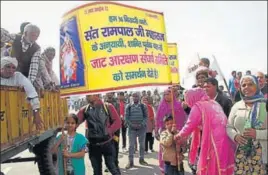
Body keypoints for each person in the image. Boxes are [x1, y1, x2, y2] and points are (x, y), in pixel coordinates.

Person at [175, 88, 235, 175]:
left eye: (187, 98)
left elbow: (190, 124)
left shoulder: (198, 106)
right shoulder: (214, 102)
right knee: (222, 164)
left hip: (213, 141)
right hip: (225, 139)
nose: (187, 101)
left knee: (212, 166)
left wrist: (179, 135)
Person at [227, 75, 267, 174]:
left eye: (250, 84)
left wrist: (257, 134)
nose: (246, 87)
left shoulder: (265, 105)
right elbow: (229, 127)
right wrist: (235, 136)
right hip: (240, 153)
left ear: (257, 86)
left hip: (261, 155)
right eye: (243, 85)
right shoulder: (237, 105)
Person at [77, 94, 121, 175]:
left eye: (89, 95)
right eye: (86, 95)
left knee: (112, 168)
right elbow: (75, 122)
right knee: (97, 171)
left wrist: (108, 131)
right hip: (93, 145)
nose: (87, 96)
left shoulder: (108, 106)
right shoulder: (85, 110)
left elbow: (118, 122)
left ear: (96, 95)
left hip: (107, 144)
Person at [0, 56, 43, 130]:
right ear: (2, 67)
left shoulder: (18, 76)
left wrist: (36, 113)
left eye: (13, 68)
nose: (11, 70)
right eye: (8, 67)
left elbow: (32, 93)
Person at [155, 88, 187, 174]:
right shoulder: (161, 106)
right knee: (165, 153)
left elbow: (183, 118)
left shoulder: (179, 105)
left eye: (168, 93)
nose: (166, 95)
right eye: (165, 94)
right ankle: (164, 170)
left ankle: (178, 169)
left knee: (177, 152)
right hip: (166, 134)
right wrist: (157, 130)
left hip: (177, 132)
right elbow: (158, 119)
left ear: (173, 94)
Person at [125, 92, 148, 169]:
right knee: (131, 146)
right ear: (131, 97)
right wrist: (132, 125)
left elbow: (146, 117)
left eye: (136, 96)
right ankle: (130, 162)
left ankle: (141, 159)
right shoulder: (128, 106)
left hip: (141, 129)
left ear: (139, 97)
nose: (135, 98)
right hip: (132, 129)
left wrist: (141, 124)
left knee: (142, 145)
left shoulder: (143, 106)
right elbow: (126, 118)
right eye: (134, 96)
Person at [105, 92, 120, 172]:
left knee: (115, 145)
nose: (109, 94)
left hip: (115, 129)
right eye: (108, 93)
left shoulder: (116, 103)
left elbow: (117, 116)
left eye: (111, 93)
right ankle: (108, 165)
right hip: (105, 129)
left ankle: (115, 163)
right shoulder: (103, 103)